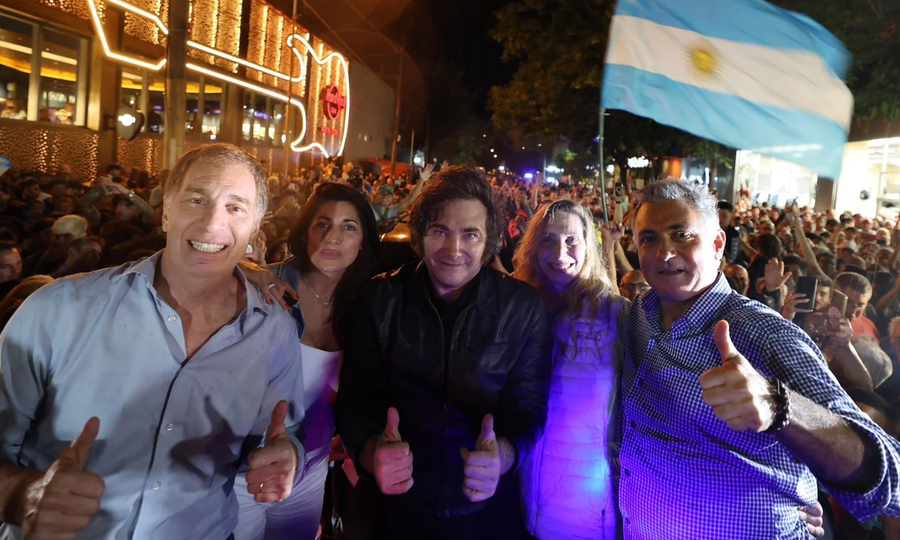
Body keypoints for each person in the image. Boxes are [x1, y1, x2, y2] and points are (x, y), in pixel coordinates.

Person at [0, 143, 306, 539]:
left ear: (255, 227)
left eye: (235, 207)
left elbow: (284, 433)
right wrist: (23, 495)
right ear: (165, 211)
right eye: (197, 199)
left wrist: (287, 457)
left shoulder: (274, 330)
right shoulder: (56, 311)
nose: (212, 222)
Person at [620, 178, 900, 539]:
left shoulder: (764, 334)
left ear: (718, 244)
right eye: (649, 238)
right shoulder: (634, 316)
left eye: (682, 235)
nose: (665, 252)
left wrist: (780, 405)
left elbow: (891, 476)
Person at [336, 166, 553, 540]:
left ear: (490, 241)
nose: (454, 250)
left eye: (470, 234)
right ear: (420, 234)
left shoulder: (524, 308)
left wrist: (504, 454)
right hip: (391, 509)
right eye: (440, 231)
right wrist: (372, 452)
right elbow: (355, 402)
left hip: (487, 513)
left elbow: (528, 407)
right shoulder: (379, 299)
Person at [234, 183, 380, 540]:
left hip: (311, 469)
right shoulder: (265, 287)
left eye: (349, 226)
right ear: (305, 232)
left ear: (362, 242)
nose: (333, 237)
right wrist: (234, 267)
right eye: (323, 224)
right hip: (245, 470)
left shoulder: (366, 307)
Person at [511, 199, 626, 540]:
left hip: (588, 509)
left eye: (571, 240)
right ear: (533, 245)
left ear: (589, 246)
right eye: (548, 239)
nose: (560, 251)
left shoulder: (616, 315)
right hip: (522, 495)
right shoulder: (513, 308)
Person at [369, 164, 433, 228]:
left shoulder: (393, 210)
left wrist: (421, 180)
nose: (385, 196)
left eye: (388, 194)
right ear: (376, 196)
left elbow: (410, 199)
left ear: (392, 198)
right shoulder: (368, 208)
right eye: (382, 193)